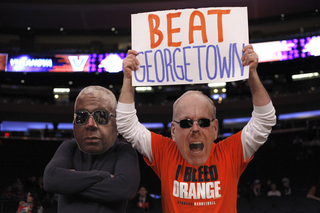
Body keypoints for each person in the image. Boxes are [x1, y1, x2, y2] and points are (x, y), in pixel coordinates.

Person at [116, 44, 276, 212]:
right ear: (173, 131)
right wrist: (128, 79)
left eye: (204, 122)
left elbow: (265, 120)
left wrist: (252, 74)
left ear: (215, 128)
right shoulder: (164, 153)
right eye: (186, 123)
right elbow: (126, 123)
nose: (195, 128)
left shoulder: (230, 153)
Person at [43, 85, 140, 213]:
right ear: (74, 126)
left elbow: (124, 189)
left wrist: (69, 184)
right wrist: (102, 176)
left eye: (100, 116)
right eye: (82, 116)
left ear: (117, 127)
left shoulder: (124, 151)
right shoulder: (69, 148)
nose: (90, 124)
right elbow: (51, 181)